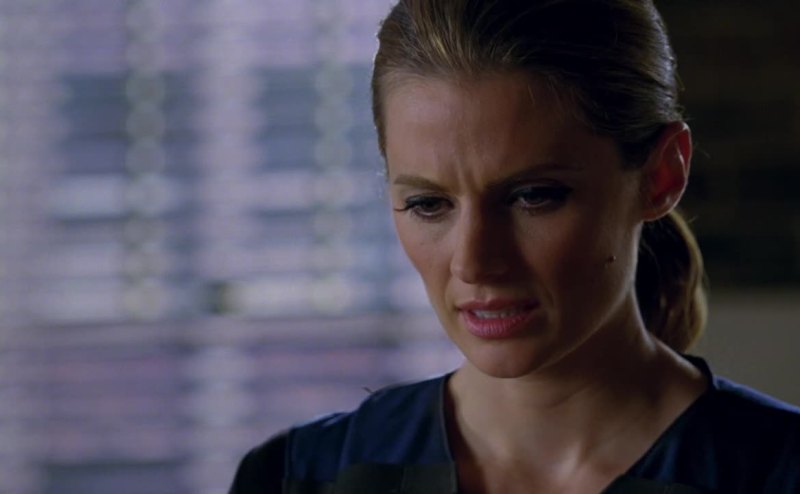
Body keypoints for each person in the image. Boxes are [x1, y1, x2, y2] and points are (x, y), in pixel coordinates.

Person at [229, 0, 800, 492]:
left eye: (533, 196)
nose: (474, 262)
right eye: (428, 204)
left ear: (661, 178)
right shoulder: (297, 478)